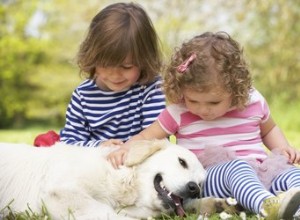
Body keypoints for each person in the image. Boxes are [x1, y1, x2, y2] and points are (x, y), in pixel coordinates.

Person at [107, 31, 300, 219]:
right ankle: (266, 206)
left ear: (235, 89)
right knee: (238, 168)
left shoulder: (253, 102)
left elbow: (270, 129)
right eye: (193, 101)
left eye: (213, 103)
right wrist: (126, 148)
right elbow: (146, 136)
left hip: (261, 171)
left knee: (291, 174)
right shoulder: (178, 111)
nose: (203, 110)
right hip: (209, 178)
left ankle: (295, 209)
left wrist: (282, 148)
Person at [56, 2, 165, 147]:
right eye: (106, 65)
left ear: (144, 59)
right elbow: (69, 143)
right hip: (96, 164)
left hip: (138, 163)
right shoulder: (83, 95)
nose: (115, 75)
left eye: (126, 67)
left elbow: (156, 139)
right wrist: (100, 147)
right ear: (92, 57)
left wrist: (125, 151)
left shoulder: (150, 89)